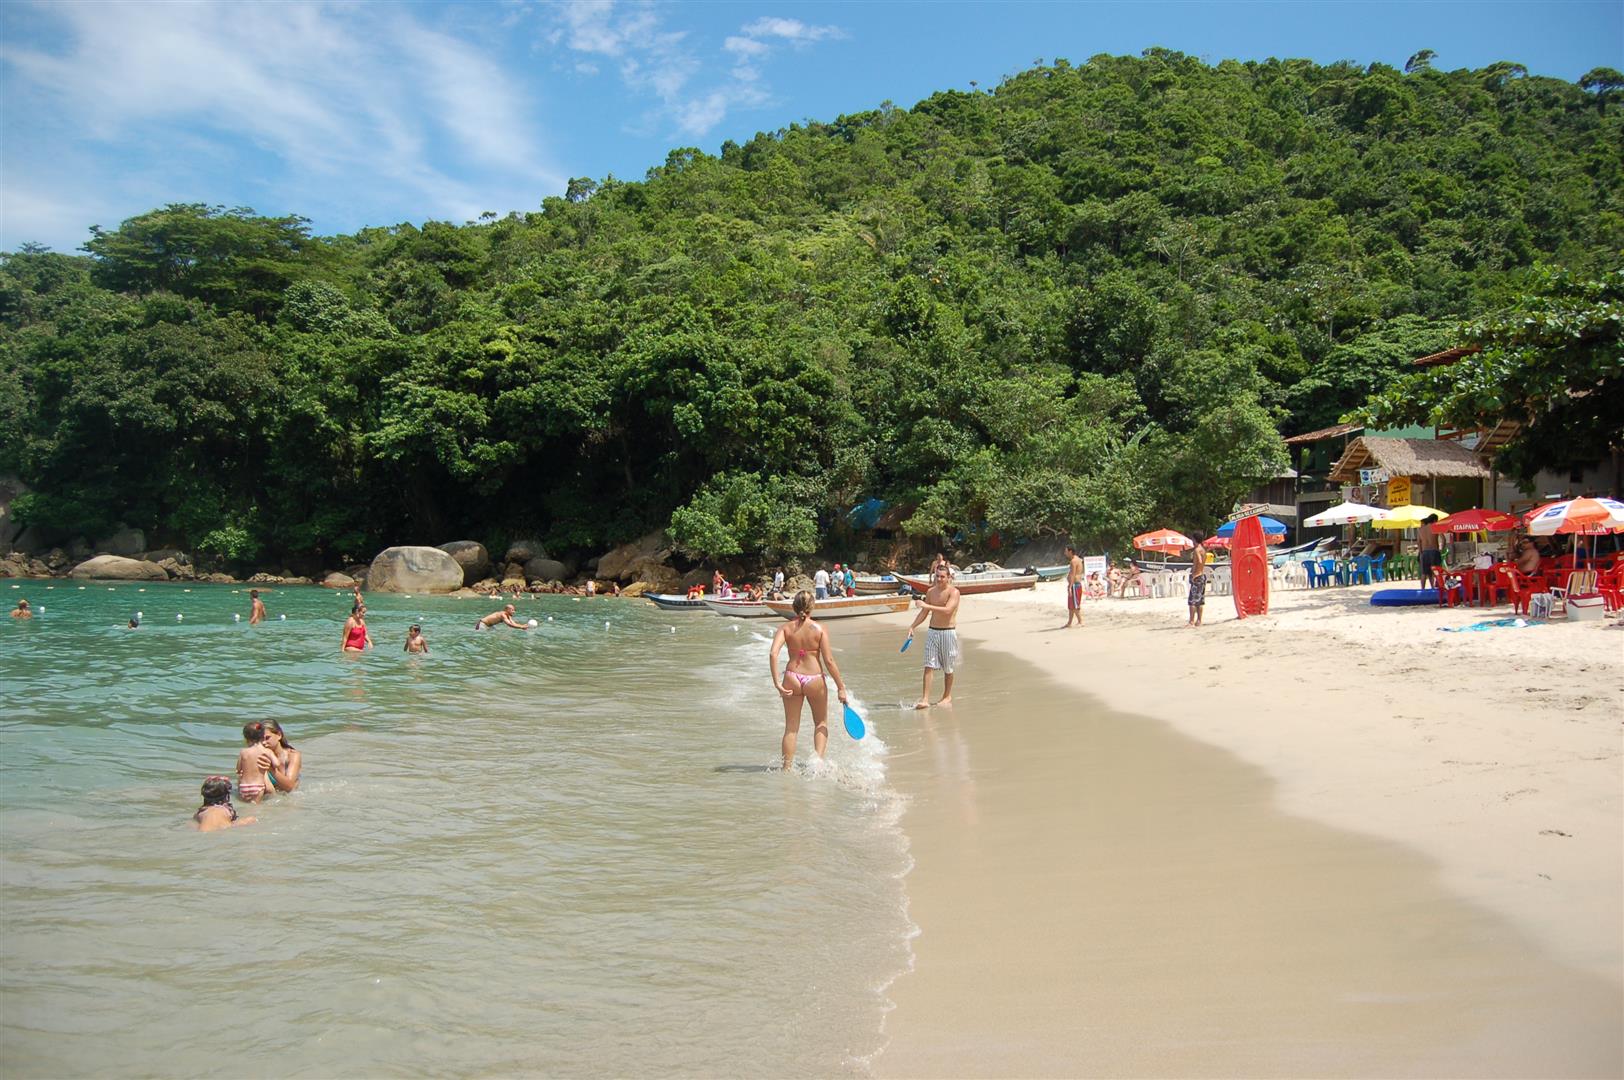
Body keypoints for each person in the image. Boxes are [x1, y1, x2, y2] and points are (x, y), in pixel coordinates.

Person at [767, 591, 850, 768]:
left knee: (791, 728)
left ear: (793, 607)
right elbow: (829, 661)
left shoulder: (785, 628)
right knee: (820, 723)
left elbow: (773, 654)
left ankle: (786, 770)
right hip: (815, 679)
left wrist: (777, 683)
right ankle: (816, 766)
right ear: (812, 607)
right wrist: (841, 687)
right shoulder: (820, 629)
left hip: (791, 677)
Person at [907, 565, 962, 709]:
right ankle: (925, 699)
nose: (939, 579)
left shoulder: (954, 592)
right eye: (937, 576)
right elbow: (924, 613)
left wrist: (926, 605)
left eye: (942, 576)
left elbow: (947, 610)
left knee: (948, 667)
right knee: (928, 665)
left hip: (948, 632)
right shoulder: (931, 591)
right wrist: (913, 626)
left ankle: (947, 696)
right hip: (932, 631)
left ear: (948, 577)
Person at [236, 721, 276, 803]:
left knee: (246, 805)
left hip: (244, 786)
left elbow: (238, 769)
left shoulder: (243, 752)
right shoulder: (266, 751)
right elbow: (276, 764)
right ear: (262, 737)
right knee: (255, 806)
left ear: (246, 739)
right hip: (258, 786)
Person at [264, 720, 302, 794]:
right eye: (260, 739)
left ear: (279, 735)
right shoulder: (260, 756)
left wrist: (270, 769)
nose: (263, 742)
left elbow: (290, 787)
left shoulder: (292, 755)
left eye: (267, 738)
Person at [1187, 533, 1209, 627]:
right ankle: (1199, 621)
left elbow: (1199, 561)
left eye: (1192, 539)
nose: (1192, 541)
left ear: (1195, 540)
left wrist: (1195, 573)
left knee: (1192, 601)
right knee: (1200, 601)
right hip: (1202, 576)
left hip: (1197, 577)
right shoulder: (1203, 550)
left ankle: (1191, 621)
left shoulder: (1197, 550)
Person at [1064, 544, 1085, 628]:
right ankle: (1069, 623)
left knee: (1075, 605)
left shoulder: (1074, 561)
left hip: (1075, 585)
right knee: (1071, 606)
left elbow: (1073, 574)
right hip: (1075, 584)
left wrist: (1070, 586)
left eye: (1066, 551)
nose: (1065, 553)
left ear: (1070, 551)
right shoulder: (1078, 559)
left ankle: (1081, 621)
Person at [1418, 515, 1442, 588]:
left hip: (1424, 552)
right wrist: (1441, 549)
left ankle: (1422, 589)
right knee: (1436, 571)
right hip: (1434, 551)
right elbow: (1443, 539)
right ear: (1434, 520)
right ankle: (1438, 588)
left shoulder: (1421, 530)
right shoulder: (1435, 527)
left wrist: (1421, 553)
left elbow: (1419, 542)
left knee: (1424, 573)